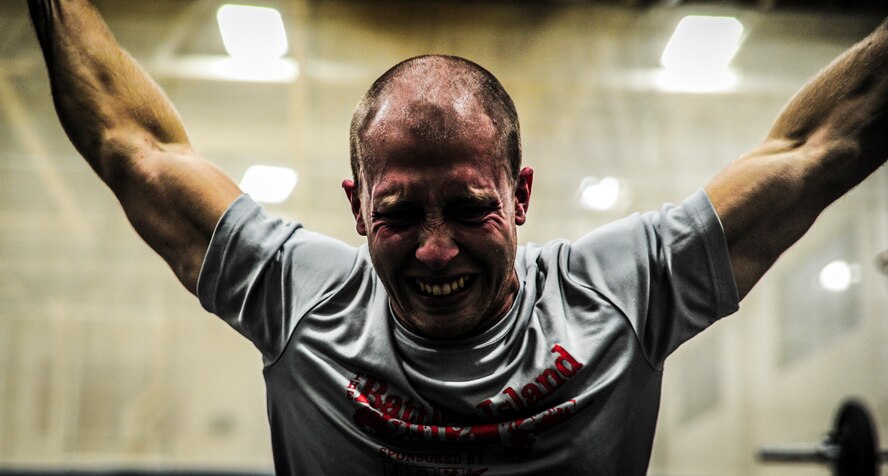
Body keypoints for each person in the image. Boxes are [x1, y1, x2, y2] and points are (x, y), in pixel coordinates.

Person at [28, 1, 887, 474]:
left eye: (469, 206)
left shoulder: (625, 289)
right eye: (399, 213)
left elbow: (815, 150)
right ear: (357, 208)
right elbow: (135, 149)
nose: (435, 250)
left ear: (520, 197)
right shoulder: (298, 294)